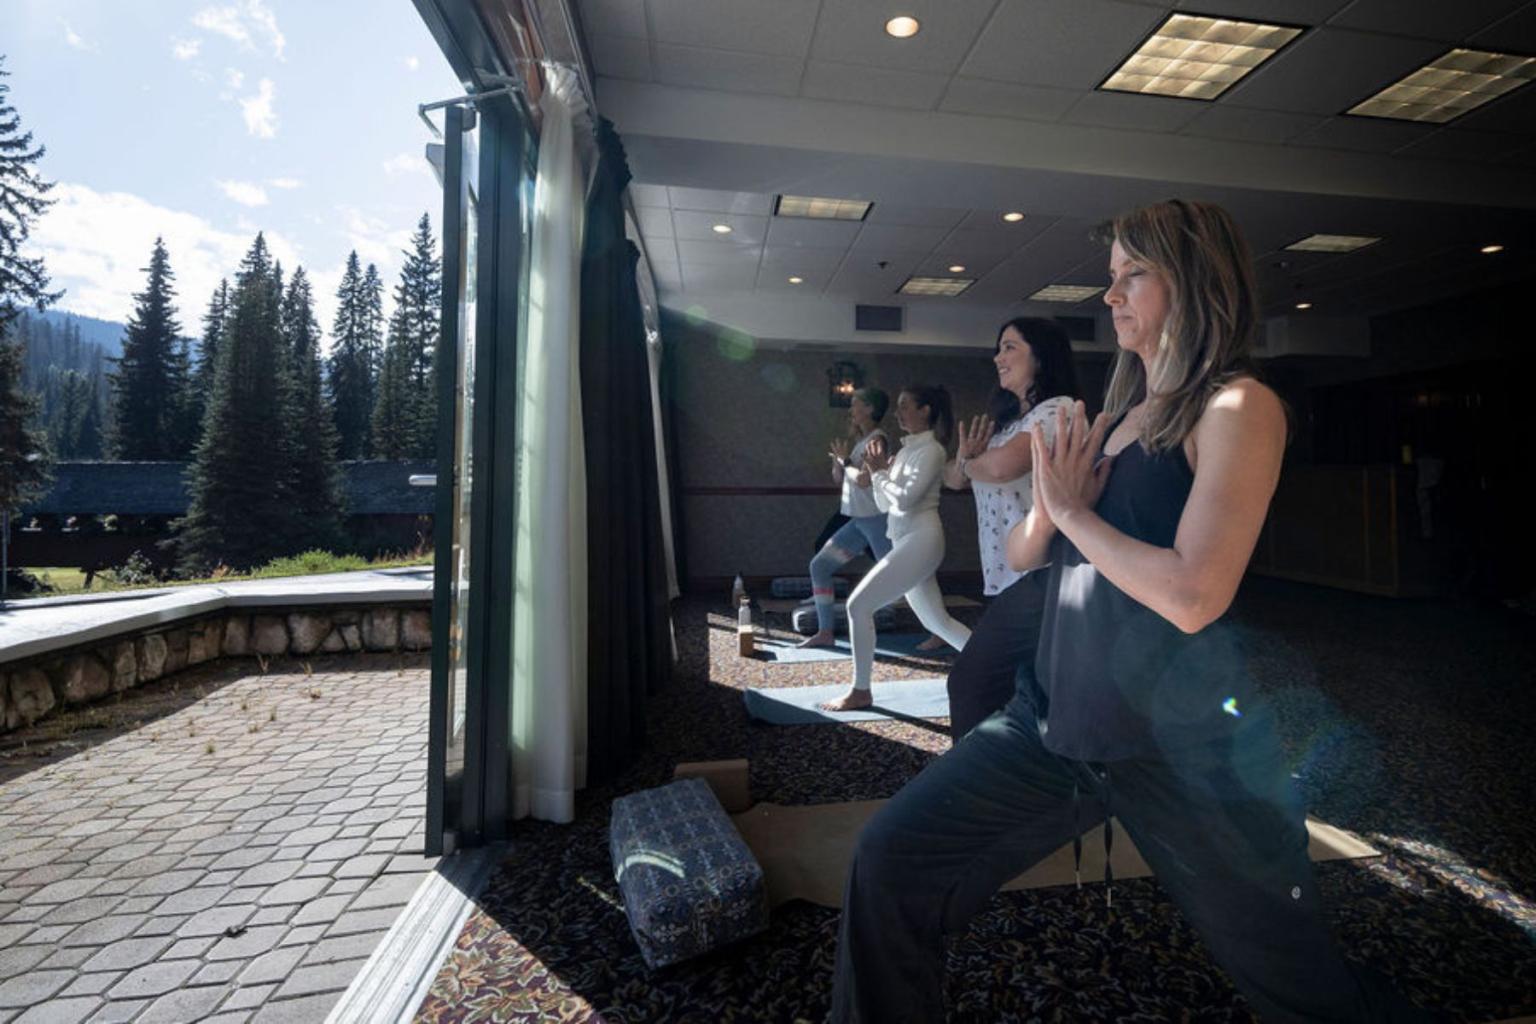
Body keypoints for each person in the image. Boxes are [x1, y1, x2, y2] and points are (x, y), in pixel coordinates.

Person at [829, 200, 1437, 1022]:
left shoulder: (1236, 407)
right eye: (1110, 278)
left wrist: (1075, 513)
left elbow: (1194, 594)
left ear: (1193, 279)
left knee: (1299, 985)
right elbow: (1024, 554)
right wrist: (1055, 503)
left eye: (1132, 275)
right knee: (890, 861)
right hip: (1053, 720)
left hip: (1180, 749)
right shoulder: (1113, 416)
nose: (1110, 295)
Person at [940, 317, 1080, 739]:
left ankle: (969, 786)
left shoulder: (1060, 410)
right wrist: (967, 460)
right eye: (998, 348)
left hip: (1043, 574)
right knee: (1029, 692)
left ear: (1041, 356)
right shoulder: (1006, 425)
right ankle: (1037, 787)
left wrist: (970, 464)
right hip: (1008, 575)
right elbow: (953, 478)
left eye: (1010, 347)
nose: (997, 357)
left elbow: (1001, 468)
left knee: (969, 683)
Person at [820, 385, 972, 711]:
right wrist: (880, 476)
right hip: (906, 538)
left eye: (905, 406)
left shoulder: (931, 451)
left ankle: (861, 690)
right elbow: (882, 502)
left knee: (858, 607)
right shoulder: (904, 451)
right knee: (938, 623)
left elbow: (904, 499)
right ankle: (998, 671)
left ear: (926, 411)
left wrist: (878, 474)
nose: (898, 413)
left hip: (923, 538)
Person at [800, 388, 894, 647]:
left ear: (870, 410)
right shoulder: (861, 442)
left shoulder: (878, 440)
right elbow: (841, 480)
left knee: (903, 578)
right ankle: (825, 633)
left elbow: (864, 480)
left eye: (855, 404)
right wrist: (838, 463)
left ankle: (936, 629)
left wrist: (845, 462)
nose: (851, 410)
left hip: (876, 521)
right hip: (857, 522)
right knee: (819, 566)